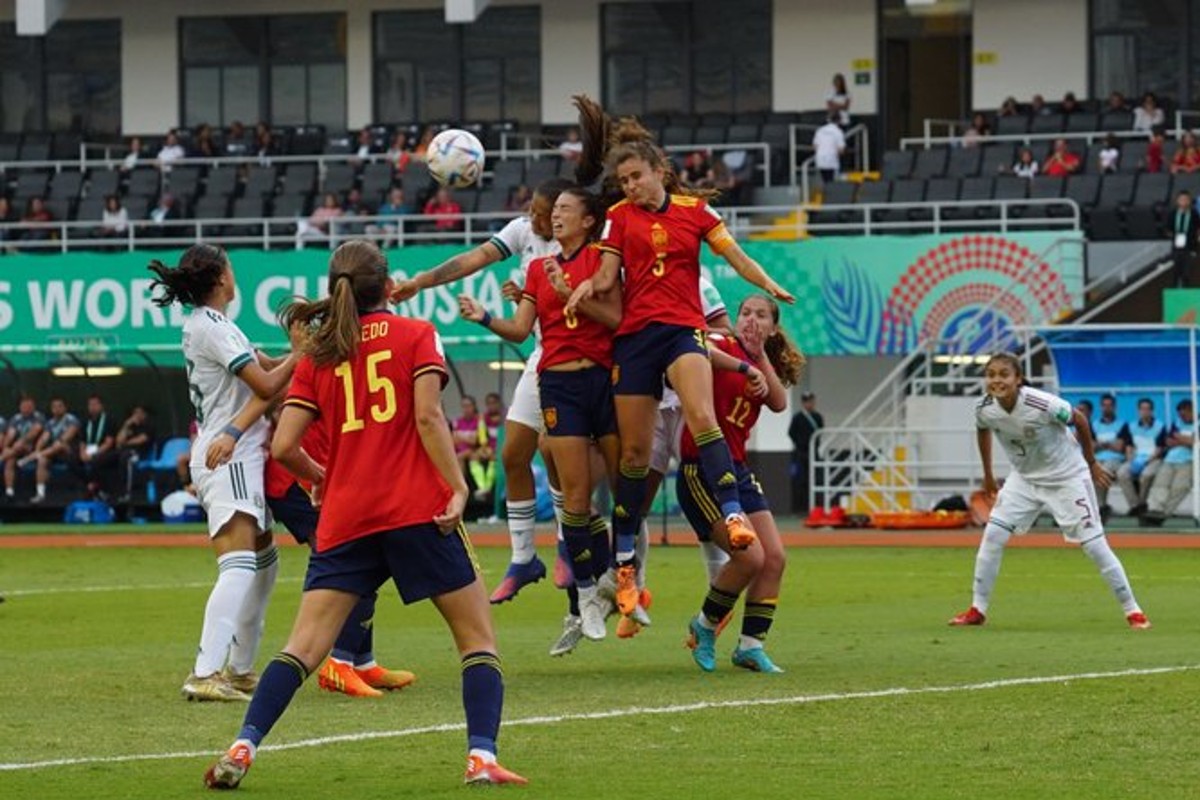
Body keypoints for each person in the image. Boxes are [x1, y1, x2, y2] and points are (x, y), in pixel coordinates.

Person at [203, 240, 525, 789]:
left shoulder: (321, 354)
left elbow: (282, 447)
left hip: (346, 516)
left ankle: (242, 745)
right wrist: (457, 487)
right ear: (389, 284)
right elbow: (427, 418)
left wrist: (321, 479)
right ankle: (481, 758)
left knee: (302, 649)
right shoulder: (416, 335)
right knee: (477, 640)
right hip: (416, 509)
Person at [565, 106, 794, 621]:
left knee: (702, 415)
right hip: (635, 341)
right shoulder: (618, 218)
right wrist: (586, 286)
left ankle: (733, 514)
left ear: (659, 172)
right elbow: (606, 276)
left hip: (682, 332)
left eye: (636, 177)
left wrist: (765, 283)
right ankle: (624, 564)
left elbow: (736, 257)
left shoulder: (697, 212)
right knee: (636, 456)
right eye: (622, 180)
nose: (629, 187)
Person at [391, 178, 571, 604]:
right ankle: (524, 558)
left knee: (557, 453)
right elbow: (475, 258)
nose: (535, 218)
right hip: (543, 353)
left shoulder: (584, 243)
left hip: (581, 359)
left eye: (543, 212)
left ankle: (570, 546)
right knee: (512, 454)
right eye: (533, 209)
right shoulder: (523, 231)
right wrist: (421, 281)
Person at [458, 186, 622, 643]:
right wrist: (485, 315)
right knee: (563, 485)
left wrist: (573, 292)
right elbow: (518, 327)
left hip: (603, 381)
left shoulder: (604, 259)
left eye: (560, 210)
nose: (547, 217)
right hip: (556, 380)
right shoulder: (534, 266)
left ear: (585, 219)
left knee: (625, 485)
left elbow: (617, 319)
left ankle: (626, 577)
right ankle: (579, 591)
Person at [148, 243, 301, 702]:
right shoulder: (212, 327)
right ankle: (205, 671)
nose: (236, 276)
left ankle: (238, 670)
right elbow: (270, 386)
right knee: (238, 568)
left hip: (237, 453)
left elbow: (269, 369)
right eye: (231, 268)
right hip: (228, 455)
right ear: (219, 279)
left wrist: (300, 354)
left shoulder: (213, 326)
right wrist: (301, 352)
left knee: (264, 567)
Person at [949, 353, 1150, 630]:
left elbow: (1078, 419)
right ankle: (977, 610)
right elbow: (982, 430)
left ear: (1018, 379)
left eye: (1003, 374)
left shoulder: (1040, 402)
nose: (997, 380)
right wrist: (987, 476)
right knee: (993, 536)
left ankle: (1133, 611)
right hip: (1025, 479)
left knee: (1094, 546)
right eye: (991, 374)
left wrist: (1091, 463)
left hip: (1067, 478)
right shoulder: (984, 407)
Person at [251, 408, 416, 698]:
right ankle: (339, 664)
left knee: (364, 558)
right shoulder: (319, 369)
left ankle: (362, 663)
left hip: (325, 479)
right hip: (298, 482)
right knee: (354, 561)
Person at [680, 294, 803, 673]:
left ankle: (750, 647)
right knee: (749, 556)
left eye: (761, 316)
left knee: (775, 559)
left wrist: (759, 359)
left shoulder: (759, 361)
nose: (751, 320)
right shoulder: (721, 344)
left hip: (739, 471)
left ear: (771, 327)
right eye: (746, 313)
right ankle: (704, 626)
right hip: (701, 470)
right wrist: (742, 364)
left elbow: (780, 402)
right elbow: (694, 344)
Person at [1139, 399, 1194, 526]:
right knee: (1160, 485)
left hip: (1188, 461)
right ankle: (1154, 510)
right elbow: (1168, 441)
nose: (1182, 417)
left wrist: (1181, 439)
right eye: (1180, 414)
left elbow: (1195, 443)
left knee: (1180, 487)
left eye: (1184, 414)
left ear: (1191, 411)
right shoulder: (1177, 422)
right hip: (1170, 458)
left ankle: (1165, 512)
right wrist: (1186, 440)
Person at [17, 397, 79, 503]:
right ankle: (40, 494)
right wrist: (38, 448)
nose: (57, 409)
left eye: (59, 406)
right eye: (54, 407)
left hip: (70, 452)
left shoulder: (71, 419)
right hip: (54, 452)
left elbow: (67, 437)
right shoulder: (50, 423)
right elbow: (44, 438)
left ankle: (29, 458)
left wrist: (41, 451)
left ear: (65, 408)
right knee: (42, 460)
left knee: (59, 444)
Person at [1116, 397, 1166, 518]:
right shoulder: (1131, 426)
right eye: (1142, 409)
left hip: (1153, 459)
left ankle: (1142, 503)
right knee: (1122, 473)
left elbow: (1160, 449)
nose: (1145, 411)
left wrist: (1146, 461)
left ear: (1152, 411)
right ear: (1138, 411)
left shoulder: (1160, 426)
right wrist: (1131, 460)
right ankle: (1135, 505)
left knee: (1146, 475)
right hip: (1135, 458)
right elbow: (1129, 446)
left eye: (1147, 409)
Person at [1090, 393, 1130, 519]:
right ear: (1101, 407)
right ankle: (1099, 507)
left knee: (1102, 471)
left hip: (1115, 460)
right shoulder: (1094, 424)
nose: (1107, 408)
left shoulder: (1122, 424)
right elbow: (1091, 446)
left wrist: (1101, 444)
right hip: (1097, 459)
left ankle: (1101, 507)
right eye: (1104, 405)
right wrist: (1110, 444)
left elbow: (1119, 447)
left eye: (1110, 405)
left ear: (1114, 407)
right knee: (1090, 471)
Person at [2, 397, 45, 500]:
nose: (26, 408)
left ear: (33, 407)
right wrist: (5, 448)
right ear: (20, 407)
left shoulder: (39, 417)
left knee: (19, 445)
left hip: (33, 449)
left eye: (29, 406)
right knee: (10, 460)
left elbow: (34, 433)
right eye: (24, 406)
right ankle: (9, 492)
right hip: (16, 450)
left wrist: (21, 441)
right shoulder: (16, 418)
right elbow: (10, 434)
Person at [788, 391, 824, 515]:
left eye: (811, 401)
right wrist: (800, 444)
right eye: (807, 401)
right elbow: (791, 433)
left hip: (814, 452)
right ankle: (802, 509)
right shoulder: (797, 418)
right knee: (801, 480)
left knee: (817, 479)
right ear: (803, 403)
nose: (810, 404)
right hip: (801, 453)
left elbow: (820, 431)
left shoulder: (817, 417)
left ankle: (817, 508)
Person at [78, 394, 118, 500]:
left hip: (104, 451)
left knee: (97, 461)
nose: (92, 407)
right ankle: (86, 485)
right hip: (88, 450)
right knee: (71, 459)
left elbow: (109, 442)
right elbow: (82, 441)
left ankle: (99, 489)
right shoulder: (85, 421)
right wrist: (82, 453)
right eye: (90, 405)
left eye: (95, 404)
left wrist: (94, 454)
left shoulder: (109, 420)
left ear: (101, 406)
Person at [115, 404, 155, 502]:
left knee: (128, 460)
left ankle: (128, 493)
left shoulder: (149, 426)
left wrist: (125, 443)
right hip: (125, 452)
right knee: (114, 458)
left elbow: (141, 440)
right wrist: (126, 425)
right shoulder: (131, 426)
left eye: (139, 413)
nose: (137, 415)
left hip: (141, 454)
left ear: (145, 415)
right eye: (135, 413)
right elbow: (118, 441)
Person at [1168, 190, 1200, 288]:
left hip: (1190, 247)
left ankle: (1186, 294)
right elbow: (1168, 229)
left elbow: (1198, 228)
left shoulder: (1194, 214)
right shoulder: (1173, 214)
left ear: (1189, 201)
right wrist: (1173, 235)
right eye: (1181, 199)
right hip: (1177, 247)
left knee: (1187, 273)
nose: (1184, 202)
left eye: (1186, 200)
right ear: (1177, 201)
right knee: (1175, 273)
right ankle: (1175, 293)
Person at [813, 114, 846, 184]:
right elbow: (841, 149)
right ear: (839, 121)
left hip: (820, 159)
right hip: (832, 159)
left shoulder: (820, 130)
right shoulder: (838, 132)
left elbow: (815, 146)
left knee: (824, 180)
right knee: (832, 181)